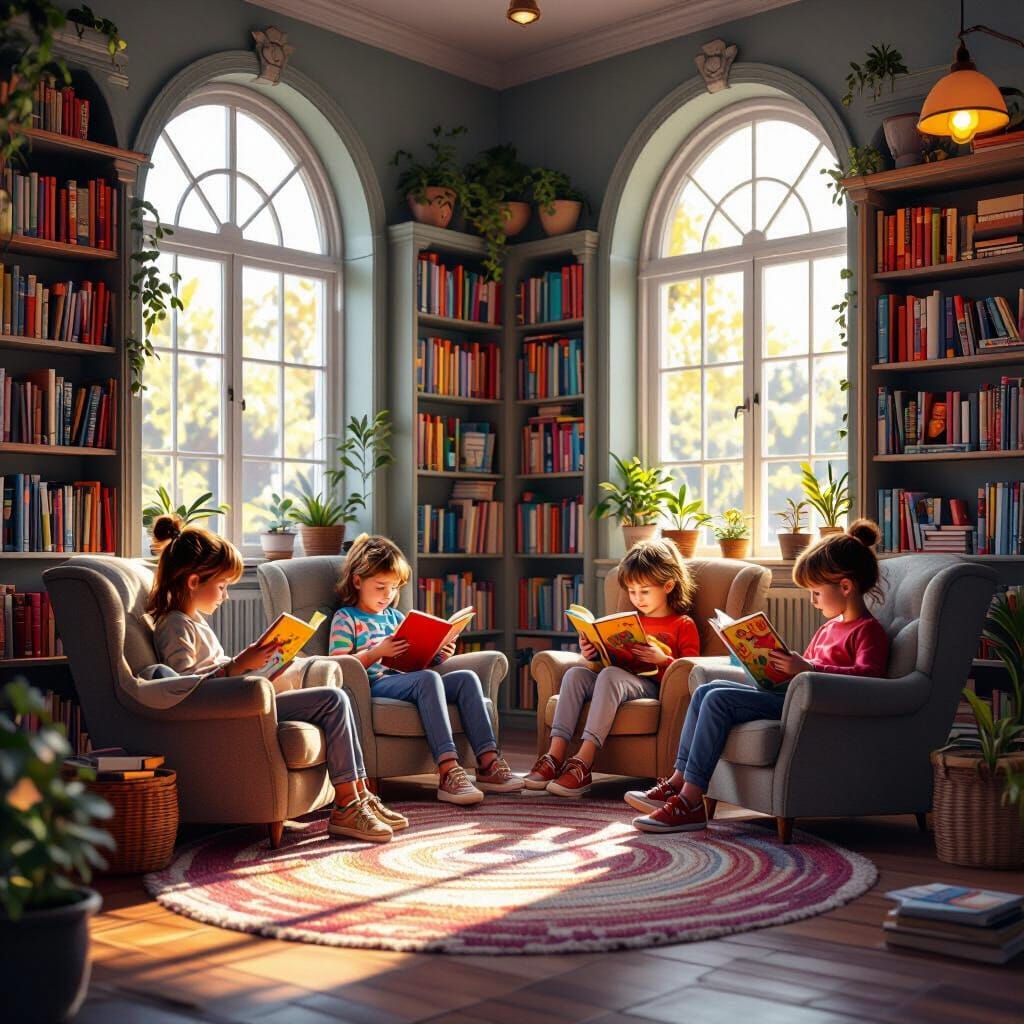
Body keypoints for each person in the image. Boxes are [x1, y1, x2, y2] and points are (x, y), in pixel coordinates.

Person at [147, 515, 405, 844]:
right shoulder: (175, 625)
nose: (225, 596)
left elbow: (213, 674)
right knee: (332, 699)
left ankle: (358, 794)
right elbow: (188, 689)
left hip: (245, 702)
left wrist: (266, 666)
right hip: (235, 712)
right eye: (223, 586)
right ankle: (346, 806)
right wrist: (240, 664)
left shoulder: (192, 622)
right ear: (195, 581)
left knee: (334, 697)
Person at [627, 518, 889, 833]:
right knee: (706, 691)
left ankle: (691, 802)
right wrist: (765, 661)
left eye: (816, 593)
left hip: (815, 709)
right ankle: (678, 782)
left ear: (845, 586)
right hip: (793, 696)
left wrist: (808, 669)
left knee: (720, 700)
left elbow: (870, 679)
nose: (812, 601)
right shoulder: (829, 627)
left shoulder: (868, 631)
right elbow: (805, 668)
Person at [329, 534, 522, 805]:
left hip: (408, 679)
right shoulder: (346, 618)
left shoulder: (395, 617)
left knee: (466, 678)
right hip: (375, 685)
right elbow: (338, 666)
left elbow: (415, 660)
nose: (388, 595)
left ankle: (489, 763)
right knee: (428, 680)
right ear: (358, 581)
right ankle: (448, 771)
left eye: (394, 588)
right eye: (381, 586)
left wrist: (437, 654)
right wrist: (376, 653)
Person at [525, 539, 700, 797]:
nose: (637, 598)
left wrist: (662, 660)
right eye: (631, 591)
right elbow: (602, 665)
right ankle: (554, 756)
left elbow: (691, 671)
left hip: (651, 687)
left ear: (668, 586)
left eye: (644, 591)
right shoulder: (628, 622)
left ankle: (583, 763)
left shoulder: (682, 624)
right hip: (615, 678)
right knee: (575, 674)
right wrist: (592, 653)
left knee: (609, 675)